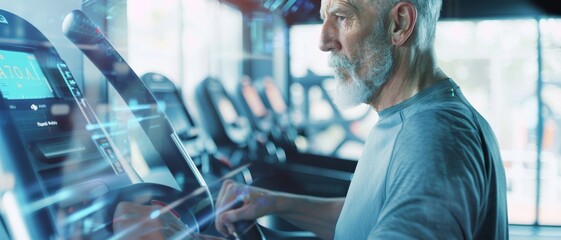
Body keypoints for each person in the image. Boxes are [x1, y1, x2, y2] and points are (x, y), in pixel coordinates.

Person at [113, 0, 509, 239]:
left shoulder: (434, 137)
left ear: (399, 24)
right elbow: (364, 219)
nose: (323, 39)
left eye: (341, 16)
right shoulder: (404, 118)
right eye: (323, 16)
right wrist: (272, 202)